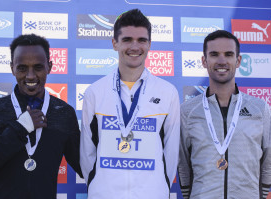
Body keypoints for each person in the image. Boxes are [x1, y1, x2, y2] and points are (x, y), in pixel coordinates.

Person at [80, 9, 180, 199]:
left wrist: (159, 187)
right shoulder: (95, 92)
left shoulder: (167, 93)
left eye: (142, 40)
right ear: (114, 43)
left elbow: (171, 151)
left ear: (149, 44)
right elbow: (87, 152)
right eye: (127, 40)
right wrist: (98, 185)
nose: (135, 46)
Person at [0, 34, 82, 199]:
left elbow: (85, 166)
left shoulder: (63, 112)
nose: (30, 76)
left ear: (49, 67)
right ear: (12, 68)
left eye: (38, 67)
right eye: (22, 68)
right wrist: (18, 129)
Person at [178, 30, 271, 199]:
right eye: (214, 55)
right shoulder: (187, 111)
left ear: (238, 60)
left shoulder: (259, 108)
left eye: (228, 54)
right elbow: (183, 163)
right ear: (204, 61)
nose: (222, 61)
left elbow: (268, 160)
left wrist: (261, 195)